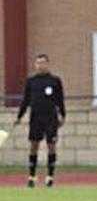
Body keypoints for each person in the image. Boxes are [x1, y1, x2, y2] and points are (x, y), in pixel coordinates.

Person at [14, 54, 65, 188]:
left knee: (51, 146)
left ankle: (50, 177)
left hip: (51, 118)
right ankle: (32, 177)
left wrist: (62, 116)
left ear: (47, 64)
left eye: (43, 63)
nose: (40, 65)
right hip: (36, 118)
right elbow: (25, 100)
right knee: (33, 146)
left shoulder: (55, 80)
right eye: (38, 63)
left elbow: (60, 100)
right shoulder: (31, 81)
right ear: (35, 65)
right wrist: (19, 116)